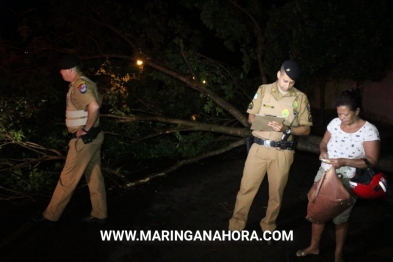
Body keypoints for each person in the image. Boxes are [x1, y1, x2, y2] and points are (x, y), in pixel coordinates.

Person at [228, 60, 313, 242]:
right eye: (284, 80)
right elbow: (251, 117)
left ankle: (269, 225)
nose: (287, 85)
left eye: (291, 83)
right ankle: (236, 224)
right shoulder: (263, 90)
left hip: (282, 152)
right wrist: (265, 121)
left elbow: (306, 129)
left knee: (276, 193)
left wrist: (286, 129)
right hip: (258, 149)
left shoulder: (301, 98)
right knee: (246, 188)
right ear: (278, 74)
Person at [296, 88, 380, 262]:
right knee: (317, 210)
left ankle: (338, 254)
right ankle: (314, 247)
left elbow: (372, 160)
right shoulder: (334, 123)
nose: (341, 118)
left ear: (357, 111)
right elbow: (324, 142)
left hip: (347, 178)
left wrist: (345, 162)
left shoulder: (369, 130)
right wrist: (322, 152)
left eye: (346, 114)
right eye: (339, 114)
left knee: (340, 218)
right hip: (325, 172)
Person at [33, 54, 107, 225]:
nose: (60, 72)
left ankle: (49, 216)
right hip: (94, 138)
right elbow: (99, 100)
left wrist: (85, 129)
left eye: (62, 69)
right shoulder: (85, 82)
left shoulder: (80, 85)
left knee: (67, 179)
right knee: (94, 177)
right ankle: (100, 213)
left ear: (71, 69)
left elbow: (94, 106)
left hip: (84, 141)